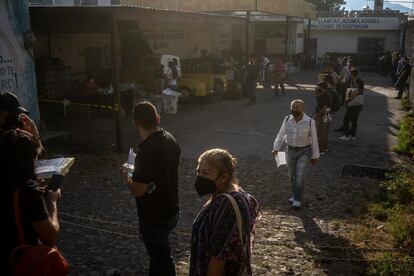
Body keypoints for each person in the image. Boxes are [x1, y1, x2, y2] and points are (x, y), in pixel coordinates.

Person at [0, 94, 61, 275]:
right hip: (20, 262)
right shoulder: (27, 192)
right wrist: (52, 202)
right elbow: (50, 235)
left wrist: (34, 137)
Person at [120, 101, 181, 276]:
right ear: (158, 118)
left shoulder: (146, 151)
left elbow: (138, 190)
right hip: (172, 209)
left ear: (136, 124)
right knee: (157, 257)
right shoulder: (170, 139)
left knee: (161, 259)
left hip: (154, 216)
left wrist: (127, 176)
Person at [190, 149, 260, 276]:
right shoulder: (237, 194)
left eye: (206, 173)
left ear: (224, 177)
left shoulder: (226, 206)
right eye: (198, 171)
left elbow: (218, 257)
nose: (200, 177)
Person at [272, 100, 320, 208]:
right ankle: (295, 195)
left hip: (304, 151)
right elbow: (280, 135)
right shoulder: (287, 119)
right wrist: (275, 148)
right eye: (292, 108)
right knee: (291, 175)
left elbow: (314, 139)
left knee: (299, 175)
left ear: (302, 109)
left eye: (297, 108)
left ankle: (298, 199)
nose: (294, 110)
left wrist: (315, 156)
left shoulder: (309, 122)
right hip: (289, 150)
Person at [337, 76, 365, 141]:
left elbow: (351, 98)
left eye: (355, 82)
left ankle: (346, 135)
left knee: (346, 120)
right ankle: (352, 135)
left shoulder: (356, 90)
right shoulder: (361, 90)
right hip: (359, 107)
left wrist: (345, 101)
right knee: (354, 121)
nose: (354, 83)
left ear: (357, 83)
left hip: (353, 107)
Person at [314, 82, 332, 153]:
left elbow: (324, 107)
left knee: (321, 133)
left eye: (318, 87)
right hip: (327, 115)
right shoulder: (326, 94)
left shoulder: (324, 95)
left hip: (322, 116)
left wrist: (317, 114)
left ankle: (321, 149)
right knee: (325, 132)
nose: (318, 88)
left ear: (321, 87)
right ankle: (325, 147)